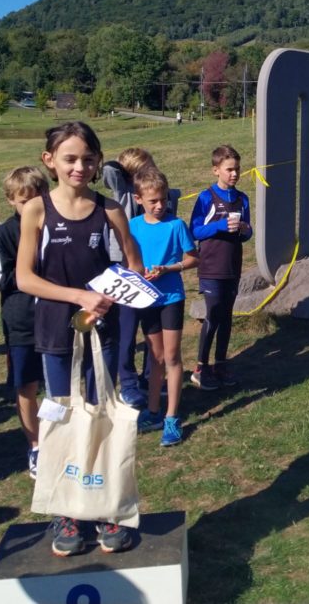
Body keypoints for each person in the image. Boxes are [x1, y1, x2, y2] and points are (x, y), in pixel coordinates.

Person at [16, 121, 143, 557]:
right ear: (49, 161)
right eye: (70, 158)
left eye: (89, 159)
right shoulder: (36, 209)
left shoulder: (109, 208)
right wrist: (77, 295)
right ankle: (66, 512)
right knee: (60, 414)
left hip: (101, 330)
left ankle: (106, 506)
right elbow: (24, 277)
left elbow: (134, 261)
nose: (80, 166)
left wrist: (115, 290)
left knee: (101, 409)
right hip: (55, 330)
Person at [102, 147, 182, 408]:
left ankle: (151, 379)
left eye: (152, 168)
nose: (150, 174)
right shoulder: (124, 194)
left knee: (153, 333)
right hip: (126, 273)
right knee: (126, 331)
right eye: (142, 171)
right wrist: (128, 172)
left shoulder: (161, 198)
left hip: (155, 276)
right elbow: (109, 170)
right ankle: (127, 383)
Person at [128, 167, 198, 446]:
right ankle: (153, 411)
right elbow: (127, 260)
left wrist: (168, 268)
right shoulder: (133, 226)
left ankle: (171, 417)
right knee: (154, 358)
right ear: (138, 199)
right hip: (145, 299)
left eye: (163, 199)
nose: (159, 206)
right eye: (153, 200)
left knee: (171, 357)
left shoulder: (176, 225)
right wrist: (136, 273)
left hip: (171, 298)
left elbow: (193, 259)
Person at [0, 166, 49, 479]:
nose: (30, 207)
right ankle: (36, 445)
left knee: (58, 383)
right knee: (26, 386)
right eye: (22, 201)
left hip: (56, 318)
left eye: (36, 198)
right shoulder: (2, 234)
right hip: (21, 322)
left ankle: (60, 438)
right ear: (11, 200)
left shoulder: (56, 227)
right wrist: (34, 272)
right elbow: (1, 277)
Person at [189, 145, 252, 390]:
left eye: (237, 169)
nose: (235, 174)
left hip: (232, 266)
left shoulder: (242, 198)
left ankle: (221, 364)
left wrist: (246, 230)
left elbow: (247, 232)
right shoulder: (206, 197)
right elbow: (195, 230)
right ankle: (200, 367)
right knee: (213, 316)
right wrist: (219, 226)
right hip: (211, 266)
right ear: (216, 170)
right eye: (229, 170)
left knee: (226, 317)